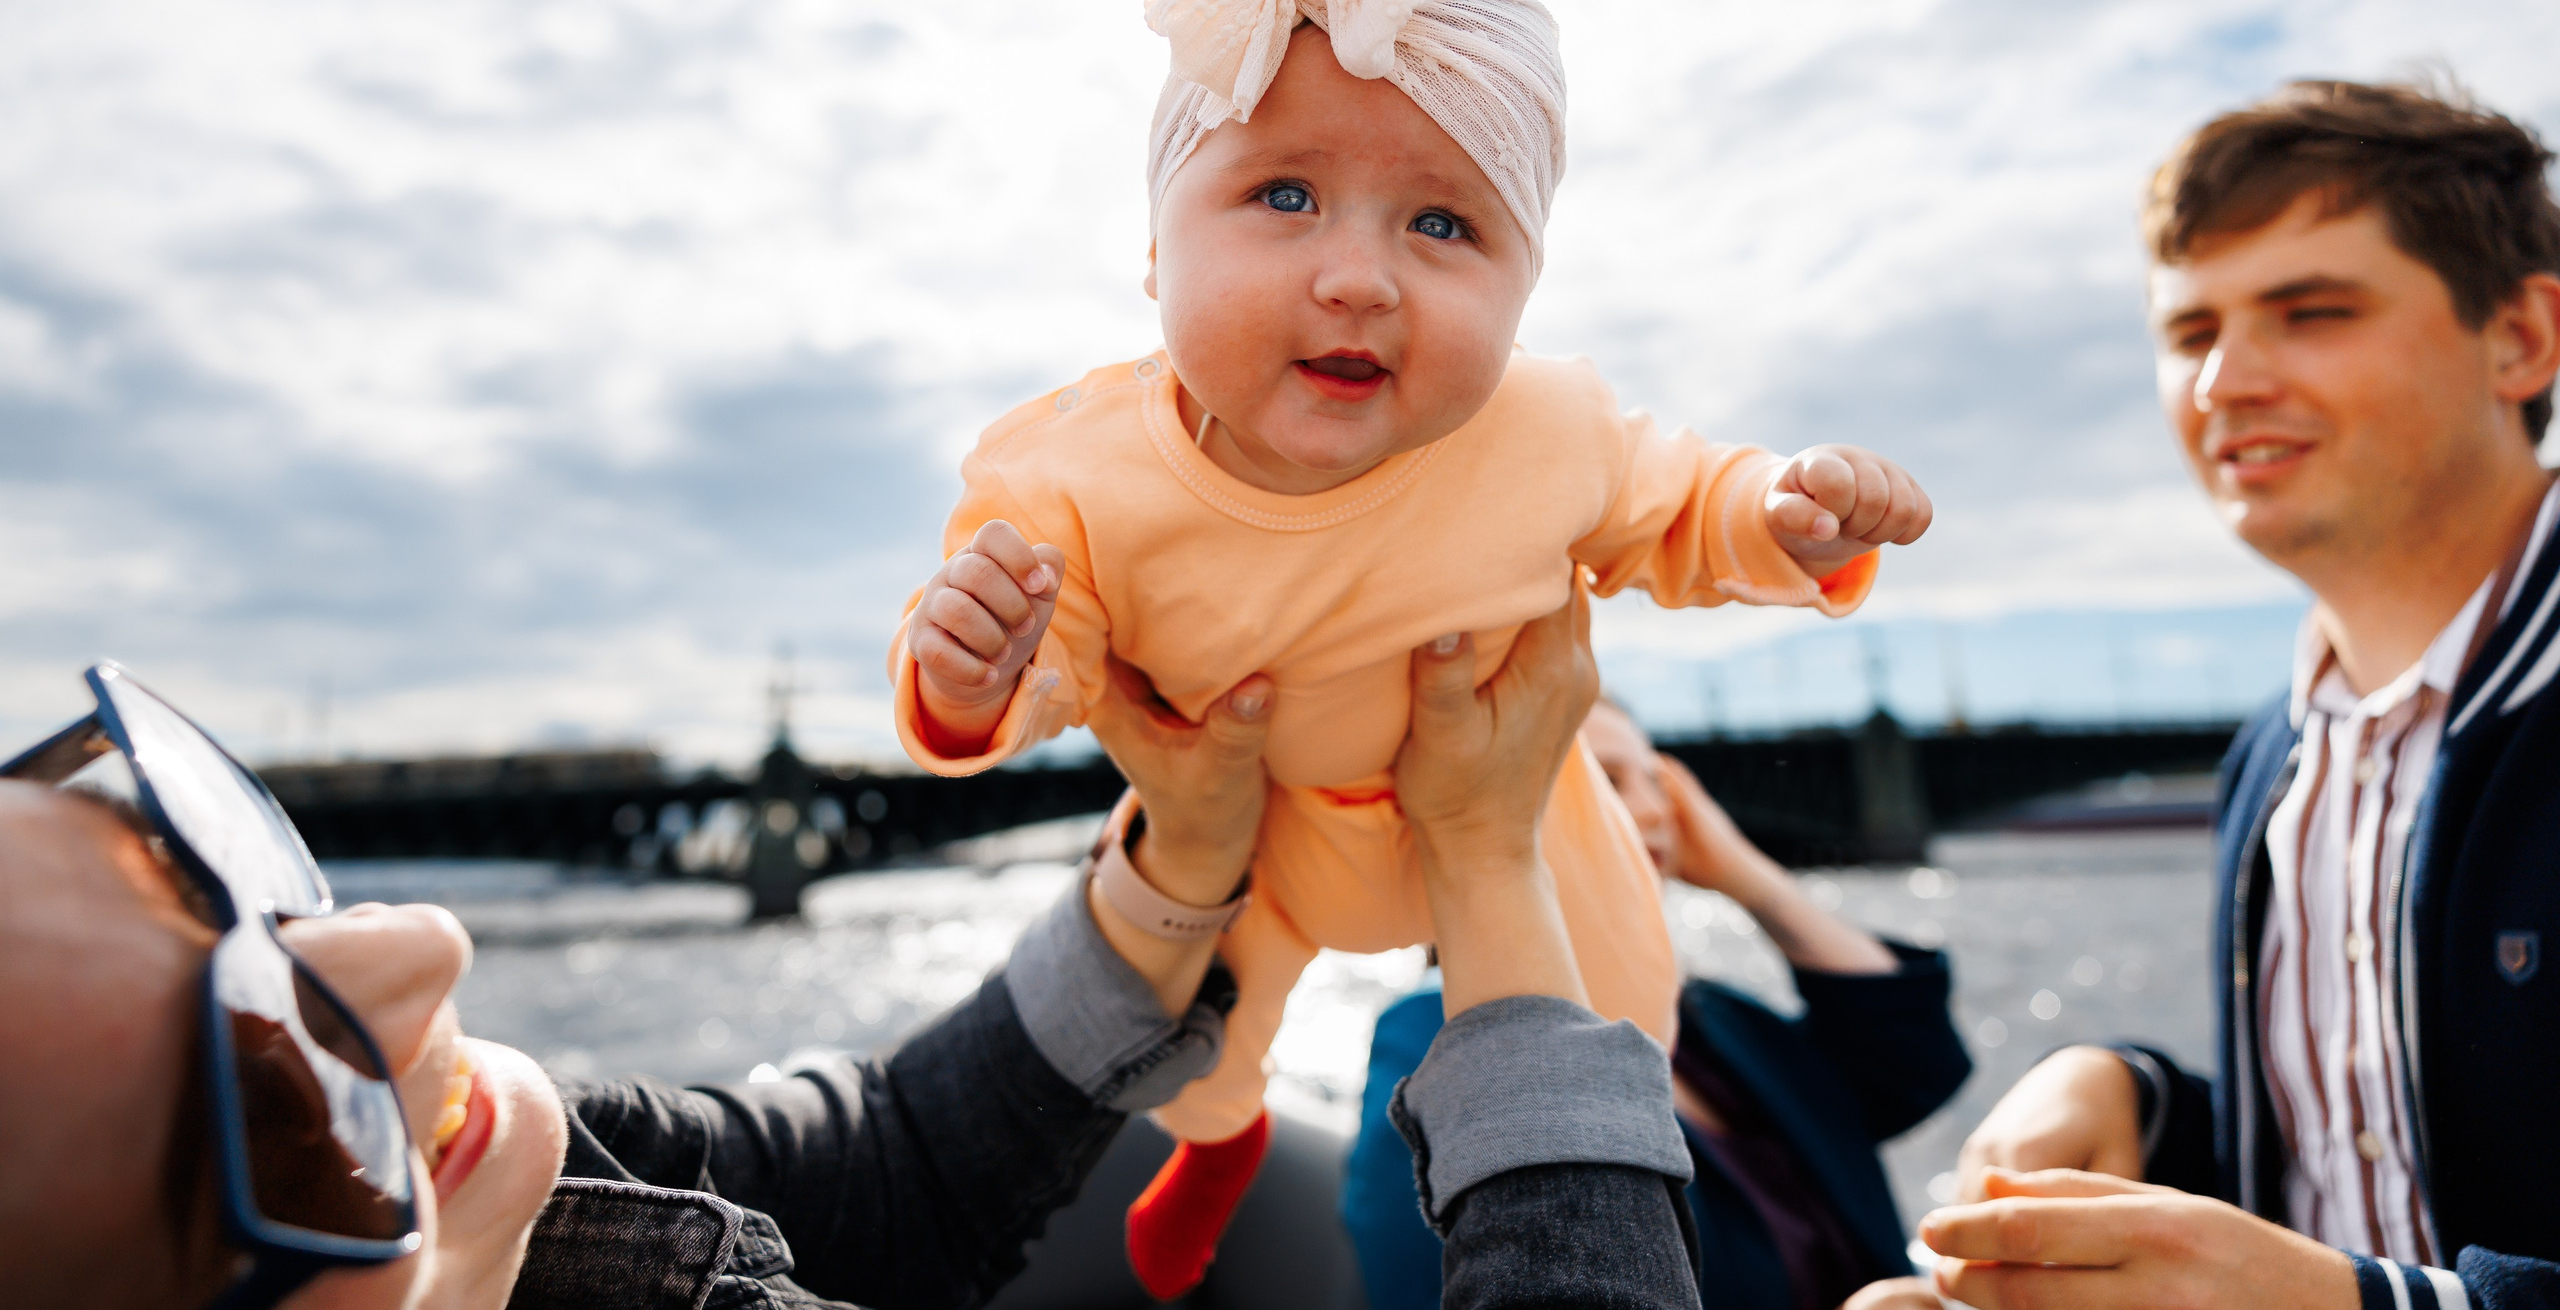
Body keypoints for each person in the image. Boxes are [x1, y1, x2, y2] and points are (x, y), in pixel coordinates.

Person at [888, 0, 1933, 1297]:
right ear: (1150, 253)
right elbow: (1047, 657)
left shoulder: (1544, 426)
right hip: (1264, 810)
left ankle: (1635, 1202)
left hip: (1526, 796)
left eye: (1445, 222)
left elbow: (1681, 502)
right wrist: (974, 668)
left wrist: (1787, 511)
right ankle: (1222, 1138)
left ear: (1523, 292)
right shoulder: (1068, 473)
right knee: (1207, 1014)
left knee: (1615, 1011)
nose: (1361, 274)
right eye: (1285, 195)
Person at [0, 595, 1721, 1310]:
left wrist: (1181, 860)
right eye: (268, 1077)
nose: (418, 944)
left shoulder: (520, 1193)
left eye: (208, 858)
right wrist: (1497, 879)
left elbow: (895, 1166)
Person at [1924, 80, 2560, 1310]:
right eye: (2187, 331)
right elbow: (2378, 1168)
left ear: (2522, 339)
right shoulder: (2276, 755)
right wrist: (2135, 1098)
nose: (2224, 381)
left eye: (2309, 311)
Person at [1343, 696, 1972, 1310]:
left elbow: (1914, 1067)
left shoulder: (1707, 1019)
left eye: (1660, 784)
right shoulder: (1445, 1034)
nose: (1652, 809)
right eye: (1606, 783)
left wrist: (1746, 873)